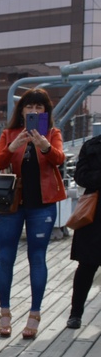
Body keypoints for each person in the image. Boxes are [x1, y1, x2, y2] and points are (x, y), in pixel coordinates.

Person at [0, 89, 66, 339]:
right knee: (5, 256)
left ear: (46, 112)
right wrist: (13, 146)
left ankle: (35, 313)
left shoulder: (52, 133)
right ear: (21, 111)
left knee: (37, 256)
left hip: (41, 204)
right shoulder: (9, 133)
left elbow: (59, 159)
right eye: (29, 107)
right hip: (11, 204)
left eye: (39, 108)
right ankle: (5, 311)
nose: (34, 112)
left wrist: (44, 145)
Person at [68, 134, 101, 329]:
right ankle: (76, 313)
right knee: (87, 266)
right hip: (96, 213)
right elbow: (81, 177)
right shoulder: (91, 145)